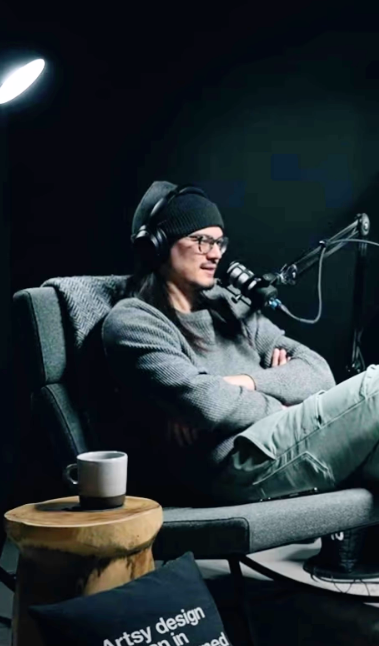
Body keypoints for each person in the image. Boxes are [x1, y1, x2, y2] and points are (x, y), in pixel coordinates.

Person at [102, 181, 379, 510]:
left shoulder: (228, 304)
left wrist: (243, 383)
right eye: (202, 240)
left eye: (219, 241)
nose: (216, 253)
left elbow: (318, 373)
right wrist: (286, 403)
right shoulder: (133, 321)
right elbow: (207, 404)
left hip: (275, 440)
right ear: (159, 246)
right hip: (231, 463)